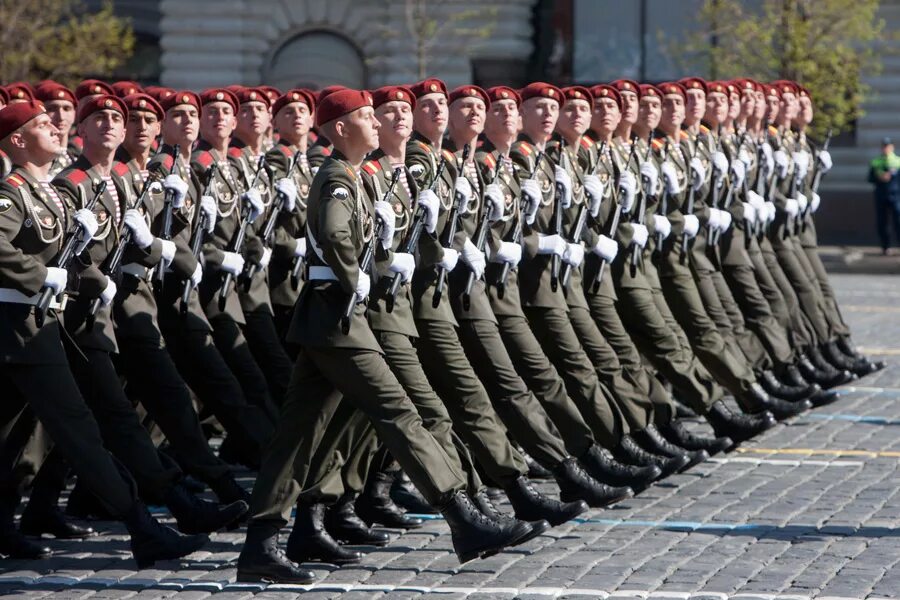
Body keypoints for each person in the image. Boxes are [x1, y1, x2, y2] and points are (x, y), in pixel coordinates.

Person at [867, 137, 900, 255]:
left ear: (892, 147)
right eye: (884, 146)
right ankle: (885, 246)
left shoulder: (897, 162)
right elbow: (870, 178)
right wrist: (879, 177)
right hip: (881, 196)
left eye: (888, 146)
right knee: (882, 222)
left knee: (898, 221)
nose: (886, 148)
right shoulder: (876, 162)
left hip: (896, 196)